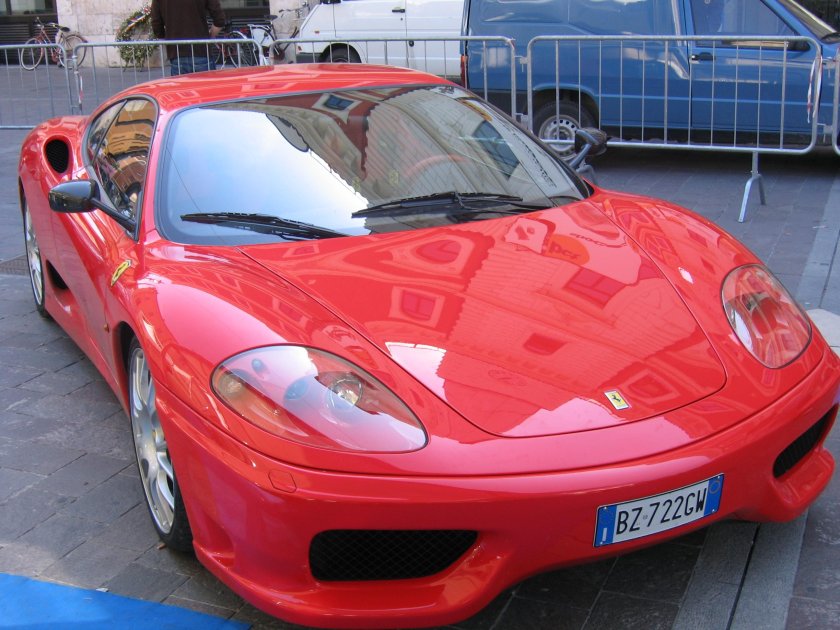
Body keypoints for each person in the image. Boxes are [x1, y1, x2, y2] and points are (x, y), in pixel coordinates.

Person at [151, 0, 226, 75]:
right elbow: (219, 19)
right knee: (205, 85)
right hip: (201, 51)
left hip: (177, 53)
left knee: (182, 86)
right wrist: (210, 36)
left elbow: (156, 24)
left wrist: (168, 40)